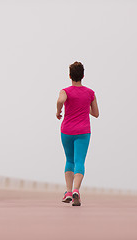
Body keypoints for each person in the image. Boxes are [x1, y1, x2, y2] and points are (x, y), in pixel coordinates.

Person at [56, 61, 99, 206]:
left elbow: (60, 100)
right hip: (83, 131)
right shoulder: (90, 93)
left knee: (69, 160)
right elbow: (96, 114)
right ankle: (76, 191)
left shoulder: (65, 91)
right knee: (79, 161)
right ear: (83, 75)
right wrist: (84, 107)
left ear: (69, 76)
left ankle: (68, 191)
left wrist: (58, 111)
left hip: (67, 130)